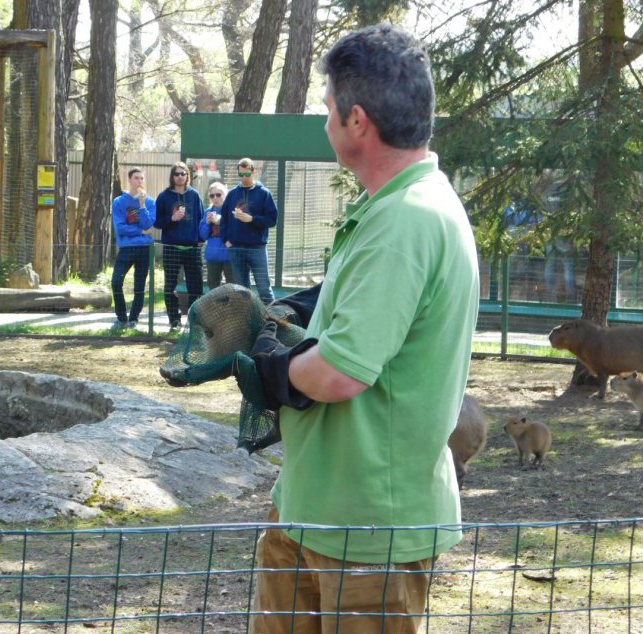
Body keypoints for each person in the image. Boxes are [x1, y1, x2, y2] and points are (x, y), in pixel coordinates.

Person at [241, 25, 480, 633]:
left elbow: (342, 372)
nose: (324, 120)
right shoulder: (393, 205)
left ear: (357, 122)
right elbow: (375, 317)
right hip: (314, 505)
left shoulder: (407, 219)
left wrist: (266, 375)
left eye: (327, 107)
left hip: (369, 529)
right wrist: (305, 308)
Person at [154, 161, 205, 331]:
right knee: (170, 286)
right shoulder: (164, 196)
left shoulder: (194, 195)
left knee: (196, 287)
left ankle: (194, 323)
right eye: (177, 174)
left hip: (192, 249)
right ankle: (174, 321)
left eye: (183, 173)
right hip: (171, 247)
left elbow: (201, 219)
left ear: (187, 176)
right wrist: (172, 219)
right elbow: (157, 222)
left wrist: (200, 240)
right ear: (172, 176)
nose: (180, 177)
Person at [219, 158, 278, 304]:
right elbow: (224, 218)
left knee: (264, 289)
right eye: (241, 175)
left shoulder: (264, 193)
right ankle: (248, 323)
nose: (244, 178)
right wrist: (226, 240)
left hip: (257, 248)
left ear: (254, 172)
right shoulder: (232, 194)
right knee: (242, 291)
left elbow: (272, 220)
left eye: (247, 174)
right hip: (236, 248)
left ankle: (273, 321)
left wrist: (251, 219)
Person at [109, 168, 156, 331]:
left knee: (139, 286)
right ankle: (121, 318)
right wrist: (140, 231)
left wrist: (142, 206)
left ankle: (134, 319)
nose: (140, 181)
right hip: (127, 248)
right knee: (116, 282)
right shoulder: (119, 202)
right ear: (129, 180)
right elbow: (120, 228)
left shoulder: (150, 202)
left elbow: (149, 225)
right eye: (136, 178)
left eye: (142, 178)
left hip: (145, 249)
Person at [199, 182, 234, 290]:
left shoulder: (231, 211)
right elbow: (203, 235)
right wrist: (208, 223)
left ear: (225, 195)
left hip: (230, 256)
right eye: (212, 195)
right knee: (213, 288)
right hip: (213, 256)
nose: (215, 198)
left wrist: (220, 223)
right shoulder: (208, 212)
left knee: (232, 288)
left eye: (218, 194)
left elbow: (235, 232)